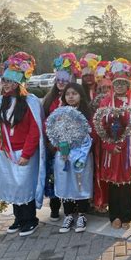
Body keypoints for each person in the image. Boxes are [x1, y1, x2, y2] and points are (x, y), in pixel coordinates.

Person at [0, 52, 46, 237]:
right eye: (4, 80)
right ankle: (18, 219)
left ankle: (30, 219)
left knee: (25, 186)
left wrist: (26, 154)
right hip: (4, 155)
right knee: (11, 186)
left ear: (19, 82)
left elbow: (35, 131)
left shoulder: (30, 102)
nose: (6, 84)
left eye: (10, 81)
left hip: (23, 154)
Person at [96, 58, 131, 229]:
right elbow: (99, 127)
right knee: (113, 184)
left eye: (123, 83)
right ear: (112, 84)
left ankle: (126, 216)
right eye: (116, 83)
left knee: (126, 184)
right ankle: (114, 215)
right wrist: (109, 146)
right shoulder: (105, 103)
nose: (119, 86)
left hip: (129, 153)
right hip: (111, 152)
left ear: (128, 85)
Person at [49, 83, 94, 233]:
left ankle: (82, 214)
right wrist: (61, 148)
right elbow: (53, 134)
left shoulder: (87, 114)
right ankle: (68, 214)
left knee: (81, 183)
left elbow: (91, 135)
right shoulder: (59, 114)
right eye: (68, 94)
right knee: (65, 183)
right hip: (63, 156)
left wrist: (81, 150)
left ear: (81, 95)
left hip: (82, 155)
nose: (71, 96)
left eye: (74, 93)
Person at [43, 53, 82, 221]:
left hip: (72, 146)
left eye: (64, 80)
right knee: (53, 175)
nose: (61, 83)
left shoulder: (73, 98)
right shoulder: (48, 100)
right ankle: (54, 205)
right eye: (58, 79)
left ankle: (72, 206)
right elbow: (44, 122)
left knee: (69, 175)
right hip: (53, 145)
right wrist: (51, 143)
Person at [91, 60, 112, 212]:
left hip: (114, 140)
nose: (105, 90)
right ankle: (101, 200)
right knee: (101, 172)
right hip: (99, 143)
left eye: (108, 87)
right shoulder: (93, 103)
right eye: (102, 88)